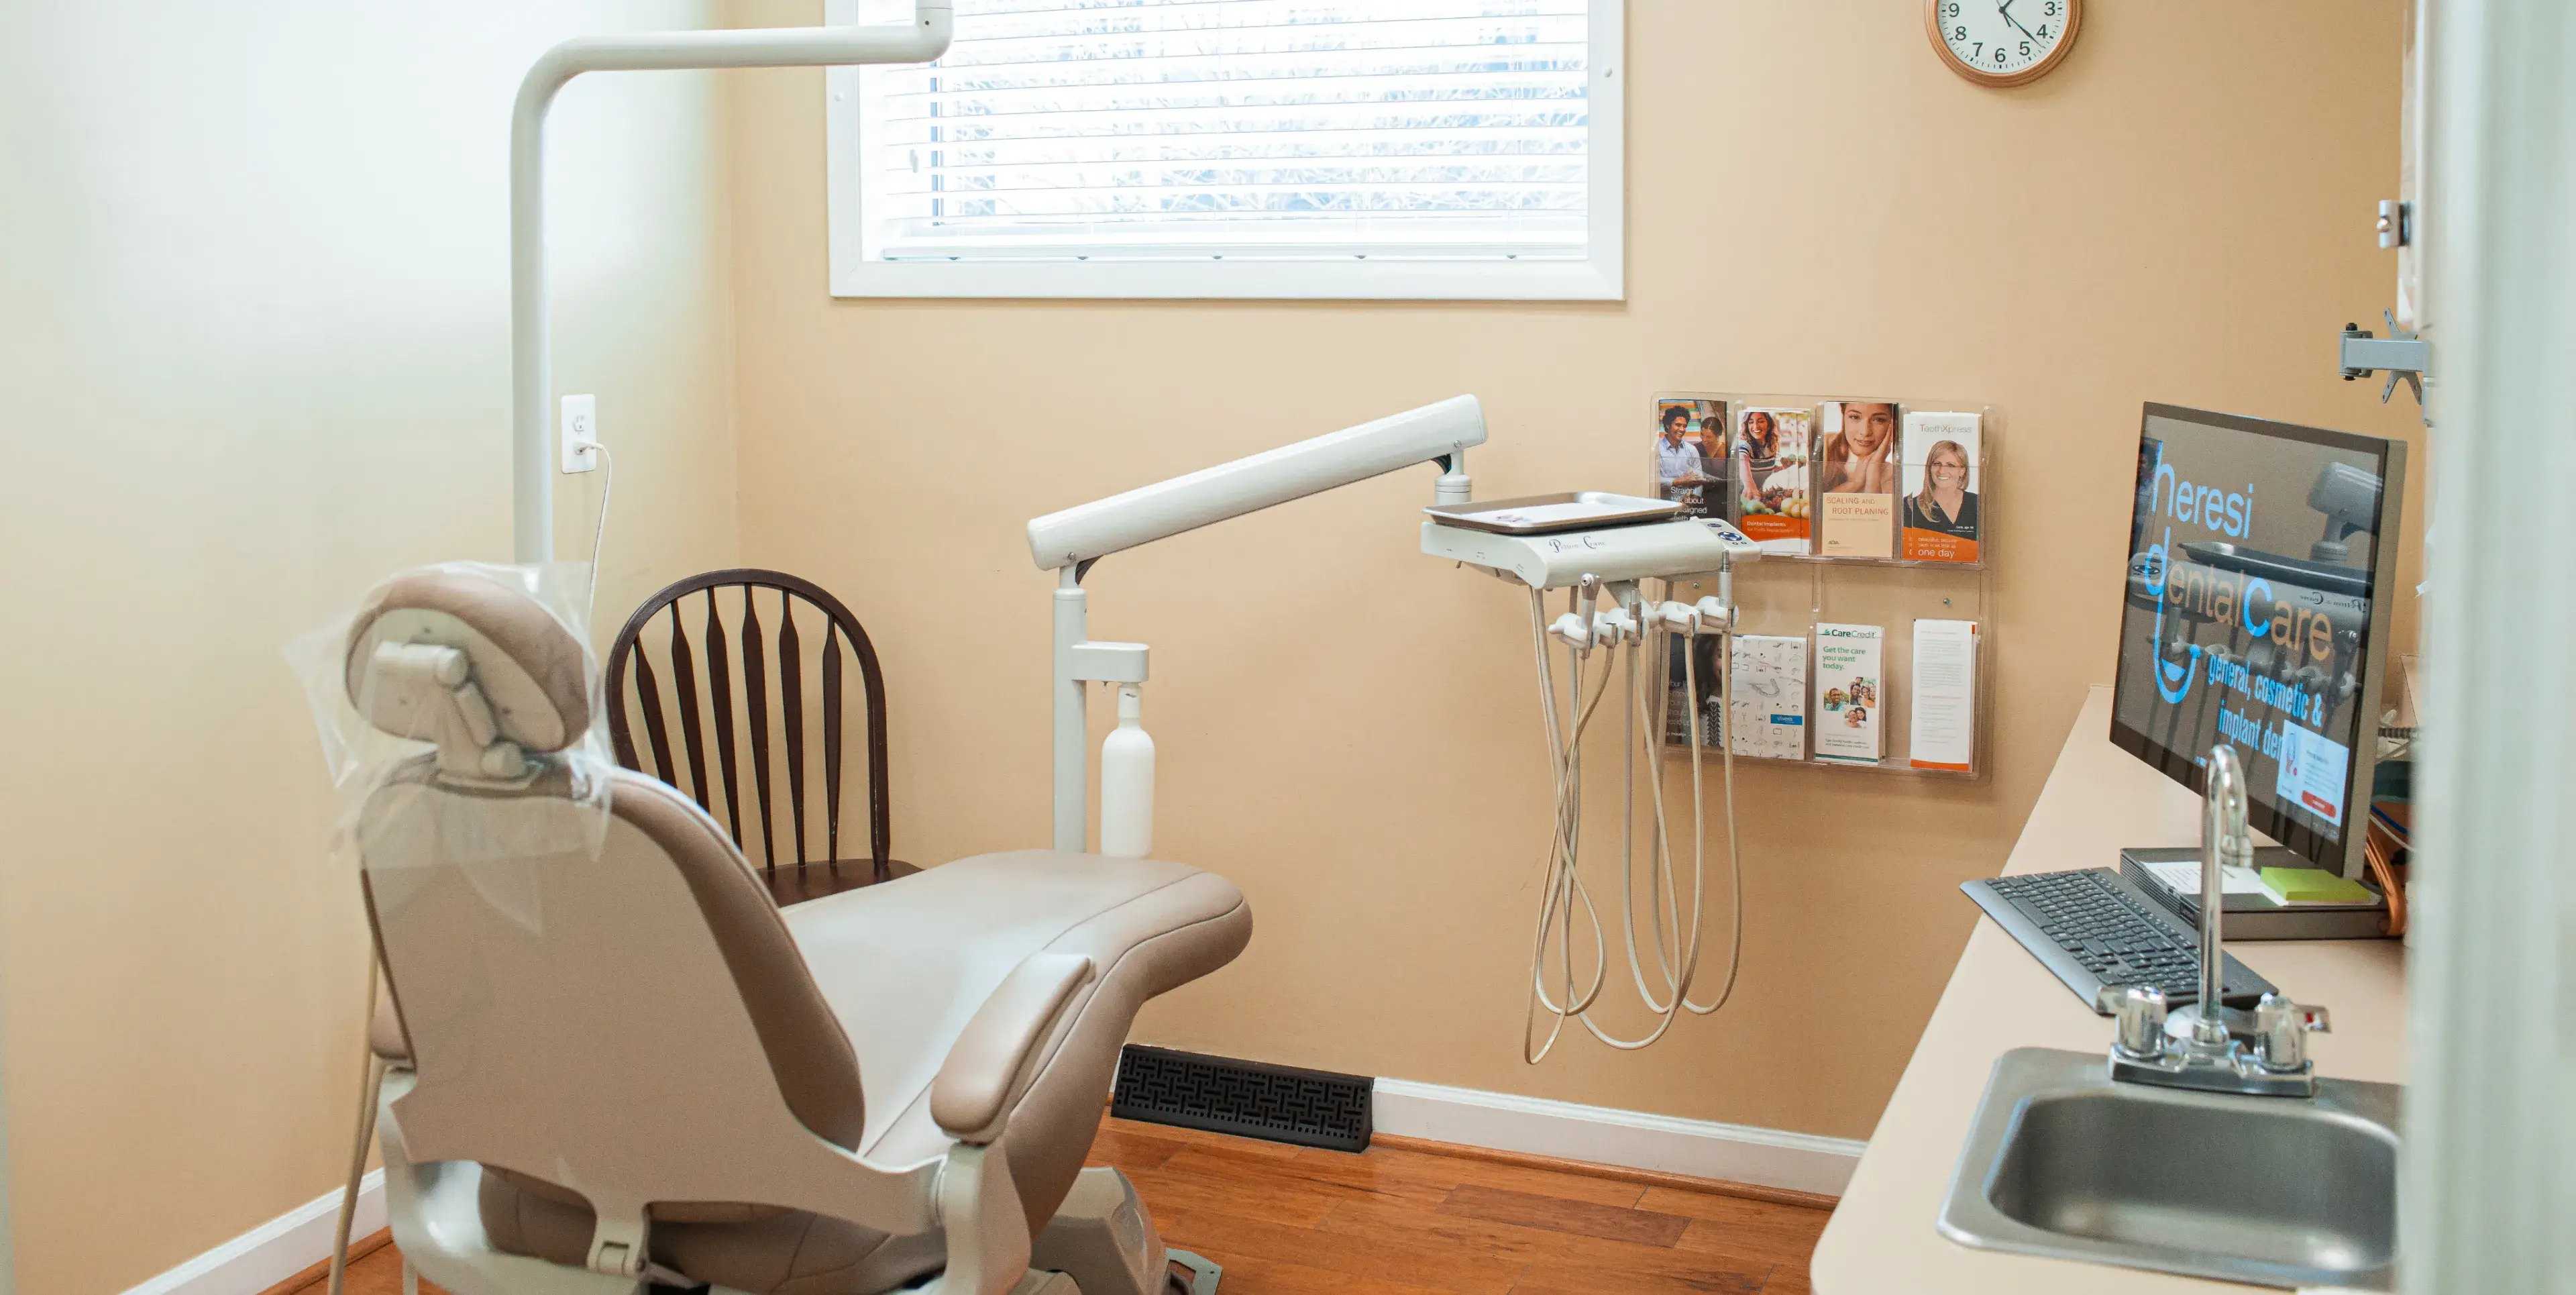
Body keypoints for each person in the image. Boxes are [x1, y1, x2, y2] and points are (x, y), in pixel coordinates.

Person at [1903, 439, 1980, 537]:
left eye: (1951, 465)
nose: (1942, 470)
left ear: (1962, 471)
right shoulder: (1909, 507)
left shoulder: (1977, 503)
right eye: (1937, 464)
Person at [1819, 401, 1898, 495]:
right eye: (1855, 417)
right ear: (1843, 415)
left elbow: (1874, 509)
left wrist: (1873, 475)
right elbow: (1814, 506)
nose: (1865, 432)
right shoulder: (1822, 447)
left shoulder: (1892, 474)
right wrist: (1855, 484)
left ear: (1892, 425)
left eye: (1878, 420)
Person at [1656, 405, 1709, 513]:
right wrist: (1678, 481)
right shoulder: (1657, 449)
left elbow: (1699, 480)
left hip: (1685, 509)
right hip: (1661, 508)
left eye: (1684, 426)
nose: (1682, 429)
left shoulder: (1692, 450)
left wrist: (1692, 502)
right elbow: (1653, 480)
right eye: (1678, 425)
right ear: (1667, 426)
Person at [1735, 410, 1791, 514]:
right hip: (1742, 501)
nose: (1755, 426)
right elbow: (1742, 459)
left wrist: (1782, 468)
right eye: (1751, 422)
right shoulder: (1745, 445)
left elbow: (1765, 468)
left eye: (1760, 421)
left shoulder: (1770, 446)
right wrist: (1748, 483)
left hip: (1757, 501)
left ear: (1769, 425)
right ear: (1747, 426)